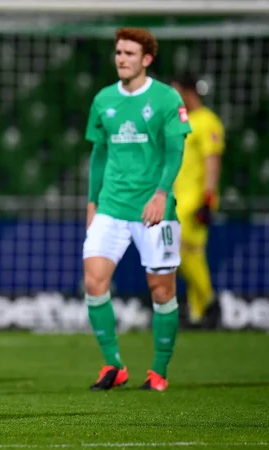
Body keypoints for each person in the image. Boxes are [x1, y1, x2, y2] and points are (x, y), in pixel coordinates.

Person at [84, 27, 191, 392]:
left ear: (146, 59)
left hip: (155, 210)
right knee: (94, 281)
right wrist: (92, 202)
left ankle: (159, 370)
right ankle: (113, 365)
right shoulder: (103, 100)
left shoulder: (165, 98)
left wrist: (162, 194)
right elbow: (98, 154)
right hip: (111, 206)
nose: (122, 59)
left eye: (129, 53)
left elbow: (176, 151)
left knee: (161, 290)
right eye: (118, 52)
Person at [171, 72, 225, 327]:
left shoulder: (207, 122)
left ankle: (210, 300)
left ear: (188, 91)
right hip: (179, 198)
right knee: (194, 255)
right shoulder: (184, 121)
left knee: (175, 248)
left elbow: (212, 161)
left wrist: (207, 199)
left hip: (195, 199)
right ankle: (199, 315)